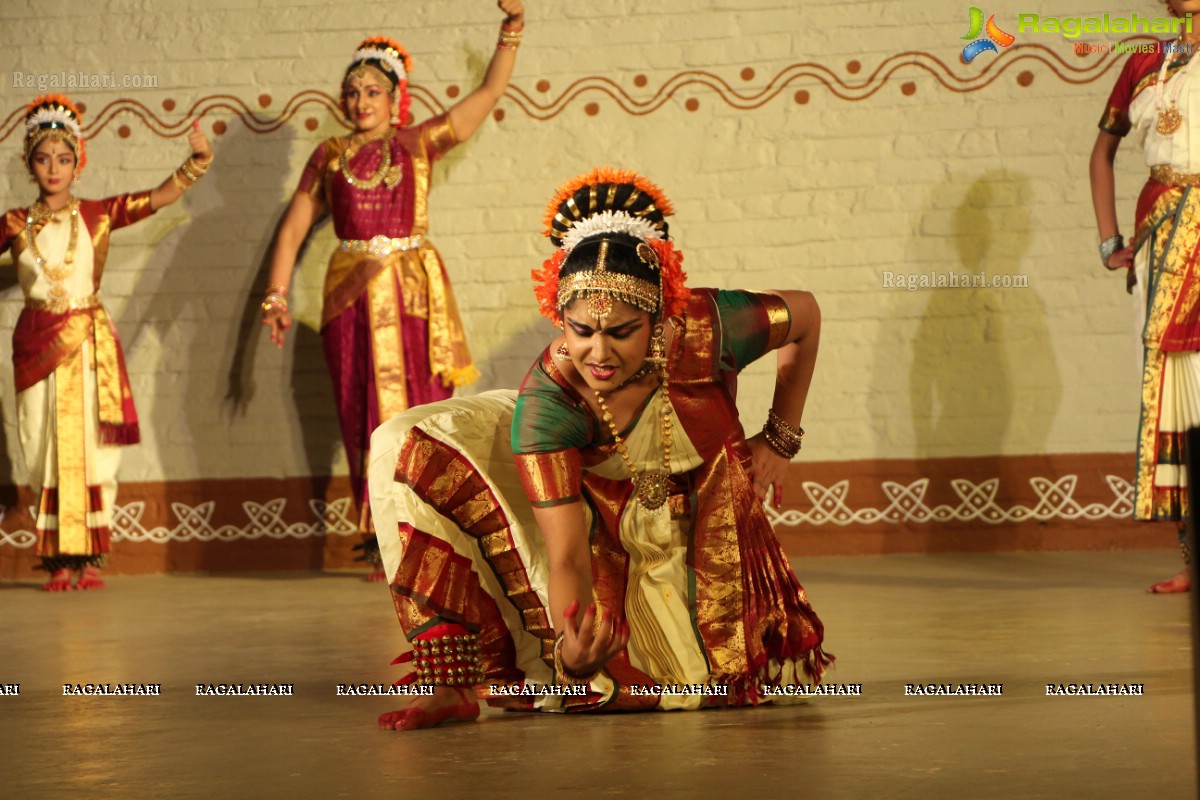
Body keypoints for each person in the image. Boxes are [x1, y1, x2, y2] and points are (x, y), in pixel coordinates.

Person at [368, 167, 831, 731]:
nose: (598, 352)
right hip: (607, 520)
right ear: (560, 316)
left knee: (723, 678)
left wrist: (781, 436)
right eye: (581, 329)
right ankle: (453, 684)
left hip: (711, 518)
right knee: (401, 444)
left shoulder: (712, 324)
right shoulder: (550, 401)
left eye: (622, 331)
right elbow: (565, 553)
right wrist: (572, 646)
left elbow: (805, 313)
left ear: (659, 319)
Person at [262, 1, 525, 581]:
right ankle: (381, 526)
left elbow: (487, 93)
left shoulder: (419, 143)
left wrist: (510, 30)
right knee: (360, 413)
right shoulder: (328, 156)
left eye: (373, 91)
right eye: (352, 91)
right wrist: (276, 297)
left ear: (395, 97)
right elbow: (294, 227)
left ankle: (432, 523)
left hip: (412, 296)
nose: (360, 101)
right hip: (349, 300)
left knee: (422, 406)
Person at [0, 94, 213, 591]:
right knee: (38, 443)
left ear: (79, 163)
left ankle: (90, 556)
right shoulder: (13, 223)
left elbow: (157, 198)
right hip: (37, 344)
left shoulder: (98, 213)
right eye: (43, 157)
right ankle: (57, 559)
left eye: (64, 158)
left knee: (95, 451)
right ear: (30, 164)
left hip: (89, 343)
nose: (54, 167)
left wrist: (196, 163)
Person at [1089, 1, 1200, 593]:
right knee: (1174, 395)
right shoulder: (1145, 60)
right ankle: (1194, 556)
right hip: (1163, 236)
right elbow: (1102, 151)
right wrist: (1110, 241)